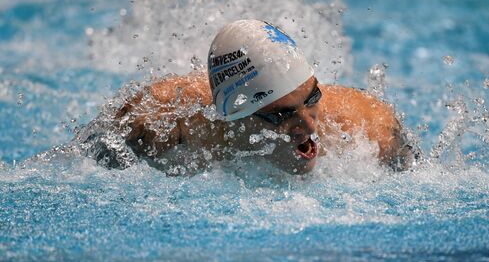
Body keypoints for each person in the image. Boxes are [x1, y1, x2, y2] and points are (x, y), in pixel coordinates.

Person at [90, 19, 416, 175]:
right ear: (234, 116)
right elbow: (84, 165)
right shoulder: (165, 121)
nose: (308, 125)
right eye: (280, 115)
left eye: (312, 96)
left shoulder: (367, 125)